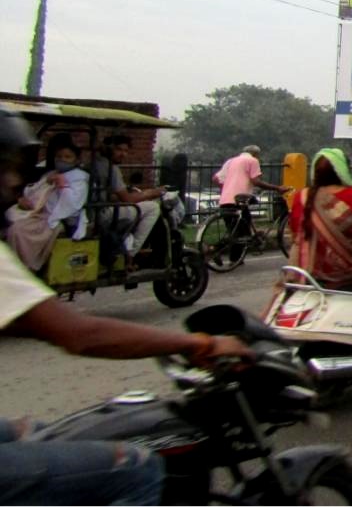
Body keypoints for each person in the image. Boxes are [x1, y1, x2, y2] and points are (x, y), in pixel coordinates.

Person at [0, 104, 252, 506]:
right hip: (108, 214)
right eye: (6, 169)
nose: (14, 181)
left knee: (40, 434)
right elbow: (81, 335)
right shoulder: (92, 172)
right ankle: (131, 252)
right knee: (135, 466)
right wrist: (197, 344)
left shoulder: (82, 172)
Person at [286, 149, 352, 293]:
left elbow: (295, 237)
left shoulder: (302, 196)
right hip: (348, 273)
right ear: (342, 170)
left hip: (306, 275)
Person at [5, 133, 89, 271]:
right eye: (59, 157)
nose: (62, 160)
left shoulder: (79, 179)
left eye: (67, 157)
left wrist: (63, 186)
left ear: (76, 160)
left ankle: (23, 267)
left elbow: (73, 205)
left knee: (18, 231)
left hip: (56, 218)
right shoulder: (52, 174)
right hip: (39, 213)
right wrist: (25, 198)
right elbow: (34, 191)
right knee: (8, 219)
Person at [93, 134, 166, 268]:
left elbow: (113, 194)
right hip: (103, 214)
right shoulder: (110, 168)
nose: (123, 154)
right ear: (108, 149)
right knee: (153, 207)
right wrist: (152, 192)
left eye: (125, 151)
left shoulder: (96, 163)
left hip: (97, 210)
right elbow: (127, 198)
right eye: (119, 150)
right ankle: (130, 254)